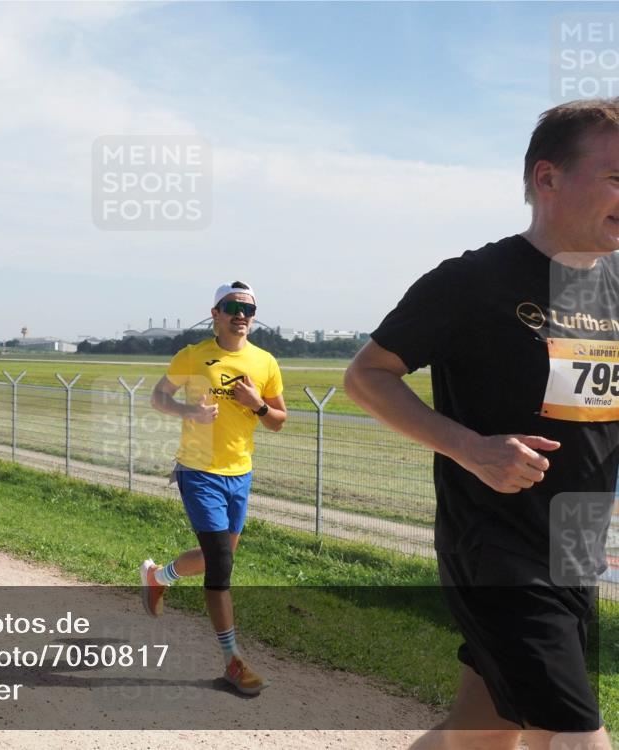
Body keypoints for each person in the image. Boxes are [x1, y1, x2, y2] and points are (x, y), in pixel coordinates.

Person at [344, 99, 618, 750]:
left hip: (575, 547)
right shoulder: (473, 282)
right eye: (616, 179)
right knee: (578, 736)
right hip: (497, 546)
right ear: (547, 179)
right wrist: (470, 448)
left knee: (485, 729)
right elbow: (367, 377)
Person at [141, 281, 287, 695]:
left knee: (218, 556)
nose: (241, 314)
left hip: (239, 473)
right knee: (221, 563)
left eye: (249, 309)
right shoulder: (193, 356)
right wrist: (189, 410)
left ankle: (158, 577)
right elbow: (158, 397)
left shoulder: (265, 362)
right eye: (232, 307)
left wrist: (256, 402)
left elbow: (279, 420)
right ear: (215, 313)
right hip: (198, 471)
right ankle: (233, 662)